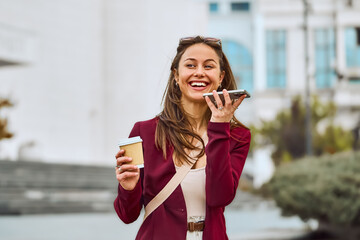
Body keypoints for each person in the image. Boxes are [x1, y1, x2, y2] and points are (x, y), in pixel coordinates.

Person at [114, 36, 251, 240]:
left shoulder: (237, 136)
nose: (199, 72)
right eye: (190, 65)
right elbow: (127, 215)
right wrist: (129, 187)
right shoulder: (144, 132)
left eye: (209, 66)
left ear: (220, 77)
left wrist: (220, 126)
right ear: (176, 76)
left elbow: (219, 197)